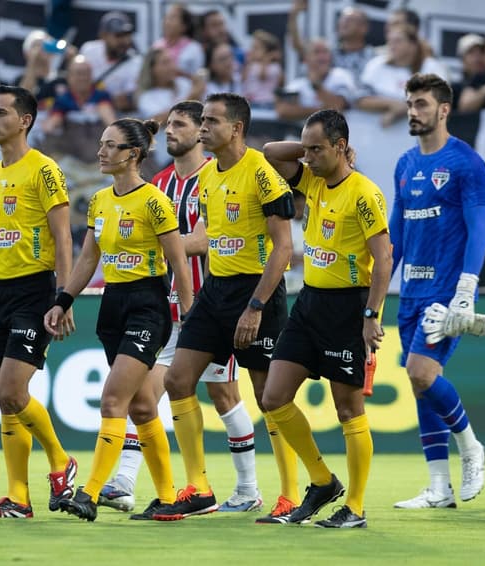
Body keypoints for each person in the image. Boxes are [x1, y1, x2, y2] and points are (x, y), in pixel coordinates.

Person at [98, 100, 263, 515]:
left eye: (182, 124)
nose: (171, 130)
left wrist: (159, 241)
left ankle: (248, 488)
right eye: (168, 124)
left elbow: (209, 237)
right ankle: (123, 481)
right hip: (161, 306)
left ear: (200, 133)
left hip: (207, 305)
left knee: (224, 394)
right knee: (143, 395)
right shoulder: (158, 183)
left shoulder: (214, 175)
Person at [152, 93, 296, 522]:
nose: (202, 129)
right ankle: (198, 486)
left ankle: (289, 493)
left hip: (256, 293)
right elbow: (205, 237)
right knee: (178, 381)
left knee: (271, 397)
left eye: (211, 122)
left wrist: (255, 306)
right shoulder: (209, 177)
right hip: (216, 292)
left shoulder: (263, 173)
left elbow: (283, 248)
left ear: (235, 128)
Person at [44, 117, 194, 522]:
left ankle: (89, 493)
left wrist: (187, 312)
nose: (100, 152)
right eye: (101, 144)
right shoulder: (99, 201)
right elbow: (89, 258)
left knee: (113, 400)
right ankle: (167, 498)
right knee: (143, 408)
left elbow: (178, 261)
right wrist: (63, 300)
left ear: (133, 154)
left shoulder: (154, 202)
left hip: (148, 305)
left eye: (110, 146)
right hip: (113, 305)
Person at [0, 85, 77, 519]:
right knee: (7, 400)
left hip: (35, 290)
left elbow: (63, 236)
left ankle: (61, 462)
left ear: (24, 120)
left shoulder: (43, 170)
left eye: (1, 112)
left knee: (10, 391)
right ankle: (18, 498)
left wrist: (65, 296)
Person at [261, 109, 392, 528]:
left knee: (348, 410)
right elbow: (268, 153)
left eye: (318, 149)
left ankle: (354, 506)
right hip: (310, 303)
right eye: (307, 148)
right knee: (274, 398)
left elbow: (384, 257)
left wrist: (371, 315)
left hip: (348, 306)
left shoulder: (364, 193)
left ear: (341, 147)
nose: (308, 157)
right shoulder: (313, 177)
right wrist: (309, 149)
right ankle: (322, 481)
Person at [389, 73, 485, 510]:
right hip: (409, 291)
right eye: (410, 103)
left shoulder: (466, 163)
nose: (414, 111)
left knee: (420, 373)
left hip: (447, 291)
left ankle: (471, 447)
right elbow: (394, 233)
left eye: (422, 104)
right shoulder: (405, 164)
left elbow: (479, 228)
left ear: (444, 110)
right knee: (421, 386)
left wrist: (467, 286)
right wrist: (374, 295)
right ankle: (438, 488)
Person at [356, 24, 448, 127]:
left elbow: (438, 101)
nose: (392, 45)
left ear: (413, 45)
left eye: (398, 41)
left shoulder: (432, 67)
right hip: (375, 133)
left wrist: (403, 109)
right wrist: (393, 105)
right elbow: (360, 100)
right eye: (390, 41)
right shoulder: (377, 65)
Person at [288, 1, 374, 85]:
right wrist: (294, 15)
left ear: (364, 28)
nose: (344, 22)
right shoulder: (330, 53)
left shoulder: (373, 57)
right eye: (342, 18)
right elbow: (300, 48)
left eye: (350, 20)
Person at [275, 38, 356, 122]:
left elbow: (337, 106)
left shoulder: (342, 76)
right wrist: (322, 110)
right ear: (305, 58)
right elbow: (283, 111)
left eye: (325, 52)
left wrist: (316, 85)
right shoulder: (297, 84)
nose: (322, 57)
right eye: (316, 52)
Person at [78, 10, 142, 113]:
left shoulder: (136, 62)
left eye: (127, 35)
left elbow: (125, 102)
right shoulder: (89, 49)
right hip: (83, 106)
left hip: (115, 114)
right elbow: (77, 81)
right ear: (103, 35)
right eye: (118, 35)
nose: (125, 41)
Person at [41, 56, 115, 135]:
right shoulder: (63, 99)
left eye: (86, 73)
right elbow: (55, 118)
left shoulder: (100, 95)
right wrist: (49, 126)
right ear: (69, 77)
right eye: (78, 74)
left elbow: (108, 118)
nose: (82, 78)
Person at [154, 4, 203, 77]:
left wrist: (178, 73)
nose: (167, 22)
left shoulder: (194, 49)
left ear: (184, 26)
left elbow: (199, 78)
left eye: (172, 18)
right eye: (166, 17)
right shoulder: (157, 45)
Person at [241, 29, 283, 111]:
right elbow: (243, 79)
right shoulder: (251, 65)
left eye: (256, 48)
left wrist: (266, 60)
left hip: (267, 104)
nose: (252, 50)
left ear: (266, 51)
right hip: (252, 102)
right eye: (252, 47)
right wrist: (247, 63)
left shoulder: (274, 66)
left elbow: (262, 76)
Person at [451, 34, 485, 110]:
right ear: (462, 59)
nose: (478, 57)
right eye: (471, 52)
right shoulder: (453, 90)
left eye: (481, 52)